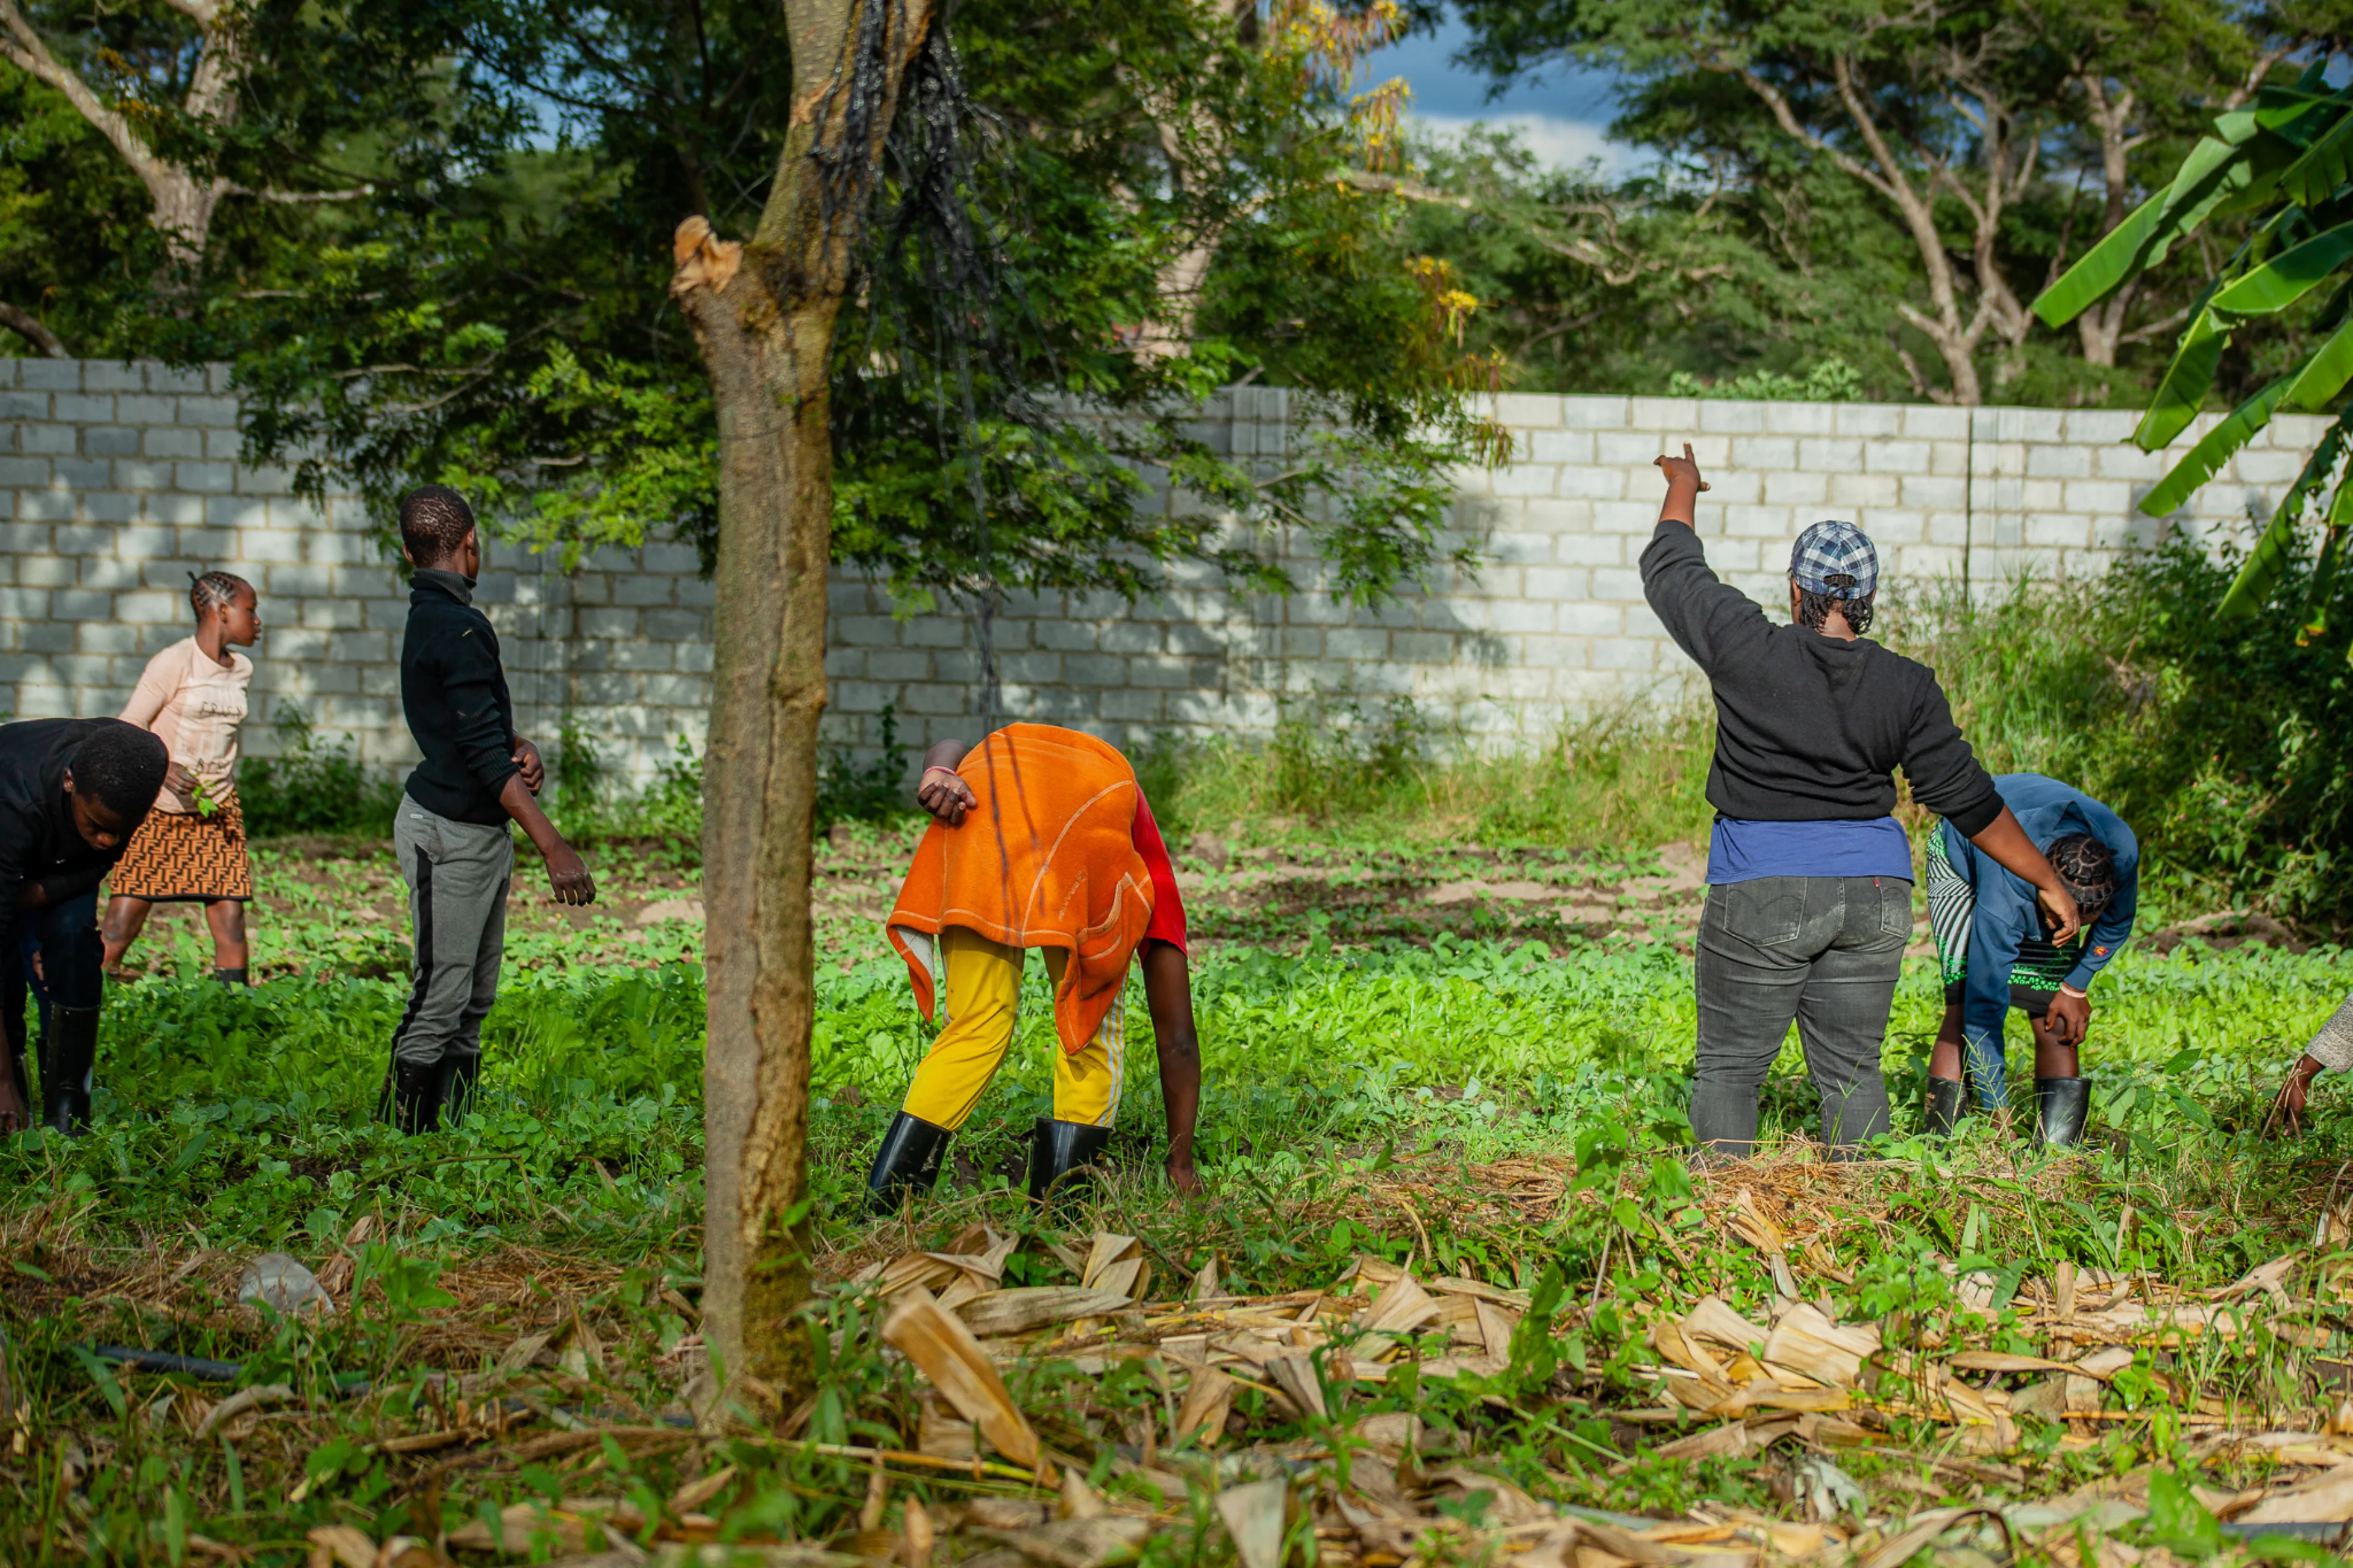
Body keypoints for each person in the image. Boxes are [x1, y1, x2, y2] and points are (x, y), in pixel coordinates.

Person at [1642, 444, 2082, 1158]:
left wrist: (1685, 486)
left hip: (1762, 885)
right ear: (1868, 599)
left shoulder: (1744, 646)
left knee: (1730, 1068)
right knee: (1851, 1073)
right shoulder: (1907, 684)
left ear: (1795, 590)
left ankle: (1717, 1223)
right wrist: (2047, 878)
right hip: (1876, 894)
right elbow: (1969, 801)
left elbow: (1671, 569)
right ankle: (1864, 1223)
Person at [867, 722, 1204, 1210]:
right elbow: (1177, 1039)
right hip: (1081, 839)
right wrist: (1181, 1165)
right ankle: (1059, 1218)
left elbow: (957, 745)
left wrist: (938, 770)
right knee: (1088, 1028)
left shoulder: (1024, 757)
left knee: (976, 1025)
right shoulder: (1146, 868)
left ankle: (882, 1209)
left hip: (979, 822)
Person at [382, 485, 595, 1135]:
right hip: (446, 833)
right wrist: (553, 845)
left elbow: (469, 730)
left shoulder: (435, 616)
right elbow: (476, 752)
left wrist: (515, 744)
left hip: (474, 832)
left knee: (472, 998)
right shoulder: (459, 625)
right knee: (440, 995)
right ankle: (403, 1141)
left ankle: (455, 1131)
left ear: (407, 549)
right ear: (471, 542)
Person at [1924, 774, 2137, 1146]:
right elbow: (1984, 1010)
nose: (2057, 931)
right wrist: (1998, 1113)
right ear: (2047, 893)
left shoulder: (2120, 853)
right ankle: (1940, 1143)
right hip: (1961, 851)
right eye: (2057, 919)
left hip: (2038, 849)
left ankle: (2057, 1153)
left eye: (2077, 925)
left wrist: (2074, 986)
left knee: (2052, 1014)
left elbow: (2117, 923)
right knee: (1964, 1001)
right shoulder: (2005, 899)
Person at [0, 720, 169, 1135]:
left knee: (74, 944)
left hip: (58, 859)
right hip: (11, 831)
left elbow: (100, 861)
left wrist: (38, 895)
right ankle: (12, 1100)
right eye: (96, 825)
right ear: (70, 782)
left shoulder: (130, 770)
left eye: (121, 831)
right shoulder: (14, 801)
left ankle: (69, 1111)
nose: (109, 841)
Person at [101, 571, 263, 985]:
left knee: (230, 915)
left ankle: (235, 1007)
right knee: (124, 918)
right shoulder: (173, 662)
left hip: (218, 808)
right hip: (161, 810)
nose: (258, 620)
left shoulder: (241, 669)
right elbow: (129, 728)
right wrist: (161, 767)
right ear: (222, 611)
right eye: (251, 610)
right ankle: (91, 989)